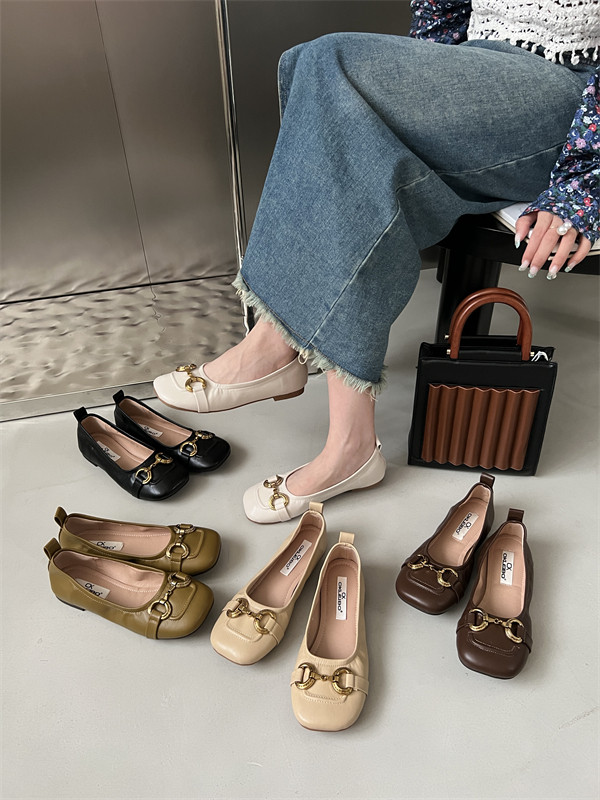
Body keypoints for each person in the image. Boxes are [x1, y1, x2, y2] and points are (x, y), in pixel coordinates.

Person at [154, 0, 599, 523]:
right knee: (332, 97)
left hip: (570, 104)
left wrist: (583, 185)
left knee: (328, 63)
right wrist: (417, 90)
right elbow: (442, 13)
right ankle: (351, 444)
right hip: (480, 77)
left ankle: (278, 347)